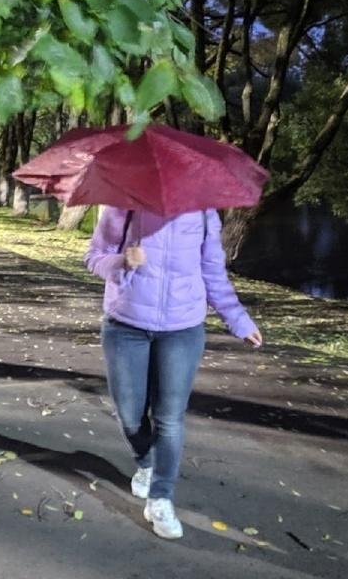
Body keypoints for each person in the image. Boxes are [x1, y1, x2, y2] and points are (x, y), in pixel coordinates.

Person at [85, 206, 263, 540]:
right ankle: (146, 463)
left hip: (182, 329)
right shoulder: (124, 204)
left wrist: (237, 319)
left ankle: (161, 497)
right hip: (126, 326)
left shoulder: (205, 213)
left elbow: (213, 272)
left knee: (168, 418)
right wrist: (122, 262)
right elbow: (95, 256)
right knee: (130, 415)